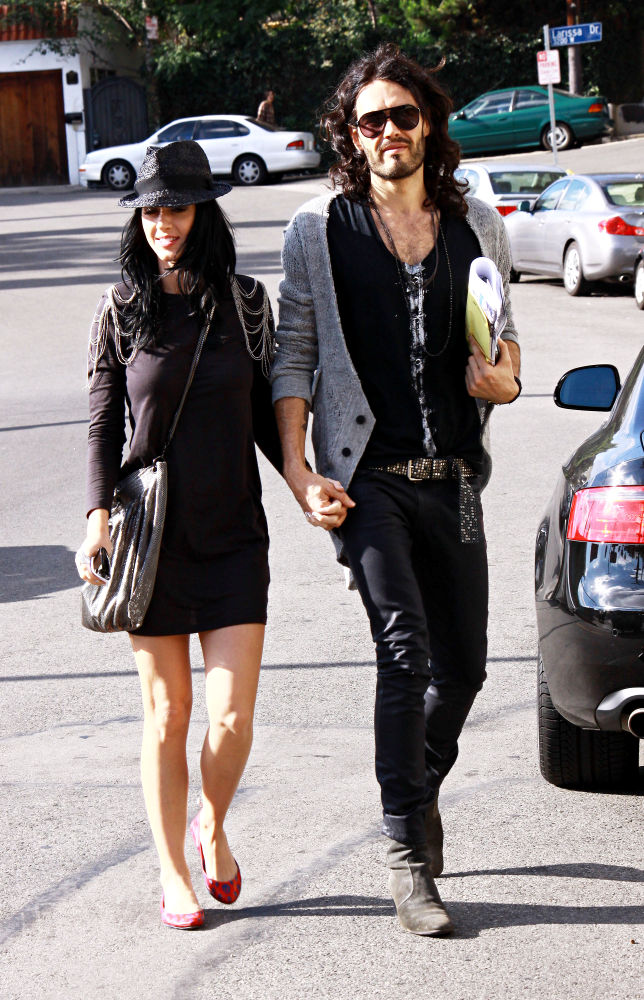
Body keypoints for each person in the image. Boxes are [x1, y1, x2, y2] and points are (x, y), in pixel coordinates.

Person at [270, 44, 521, 937]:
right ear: (350, 132)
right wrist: (302, 474)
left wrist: (510, 379)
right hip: (367, 477)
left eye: (401, 116)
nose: (386, 132)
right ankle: (408, 854)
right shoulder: (319, 227)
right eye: (368, 119)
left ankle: (413, 795)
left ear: (428, 126)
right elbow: (292, 351)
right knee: (405, 654)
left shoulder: (475, 225)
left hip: (454, 476)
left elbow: (505, 341)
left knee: (466, 669)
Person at [75, 140, 281, 930]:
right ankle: (172, 874)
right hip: (151, 537)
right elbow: (100, 425)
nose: (164, 223)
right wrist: (96, 517)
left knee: (231, 719)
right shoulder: (121, 309)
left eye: (179, 207)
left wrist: (306, 481)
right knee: (167, 713)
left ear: (204, 212)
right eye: (152, 210)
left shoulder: (248, 303)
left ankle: (212, 824)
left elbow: (269, 417)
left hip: (234, 534)